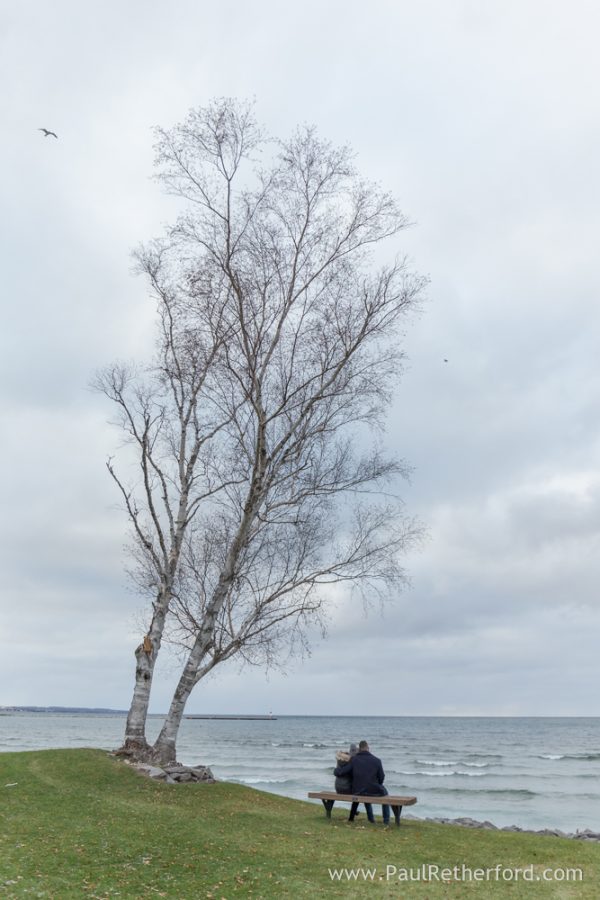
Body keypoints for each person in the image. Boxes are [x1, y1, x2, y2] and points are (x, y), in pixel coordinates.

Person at [333, 740, 390, 825]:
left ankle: (370, 819)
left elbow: (342, 771)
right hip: (373, 790)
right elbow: (382, 777)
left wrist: (336, 770)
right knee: (385, 794)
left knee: (364, 790)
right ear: (368, 748)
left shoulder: (354, 760)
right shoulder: (377, 760)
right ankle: (386, 820)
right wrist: (377, 784)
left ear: (359, 749)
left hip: (358, 790)